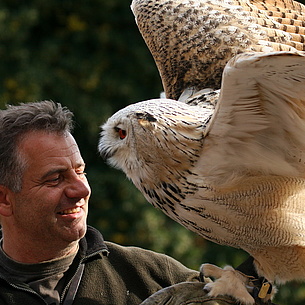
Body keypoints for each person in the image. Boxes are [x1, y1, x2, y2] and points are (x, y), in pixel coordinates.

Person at [0, 100, 206, 305]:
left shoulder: (160, 279)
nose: (82, 189)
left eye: (80, 172)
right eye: (55, 179)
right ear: (4, 199)